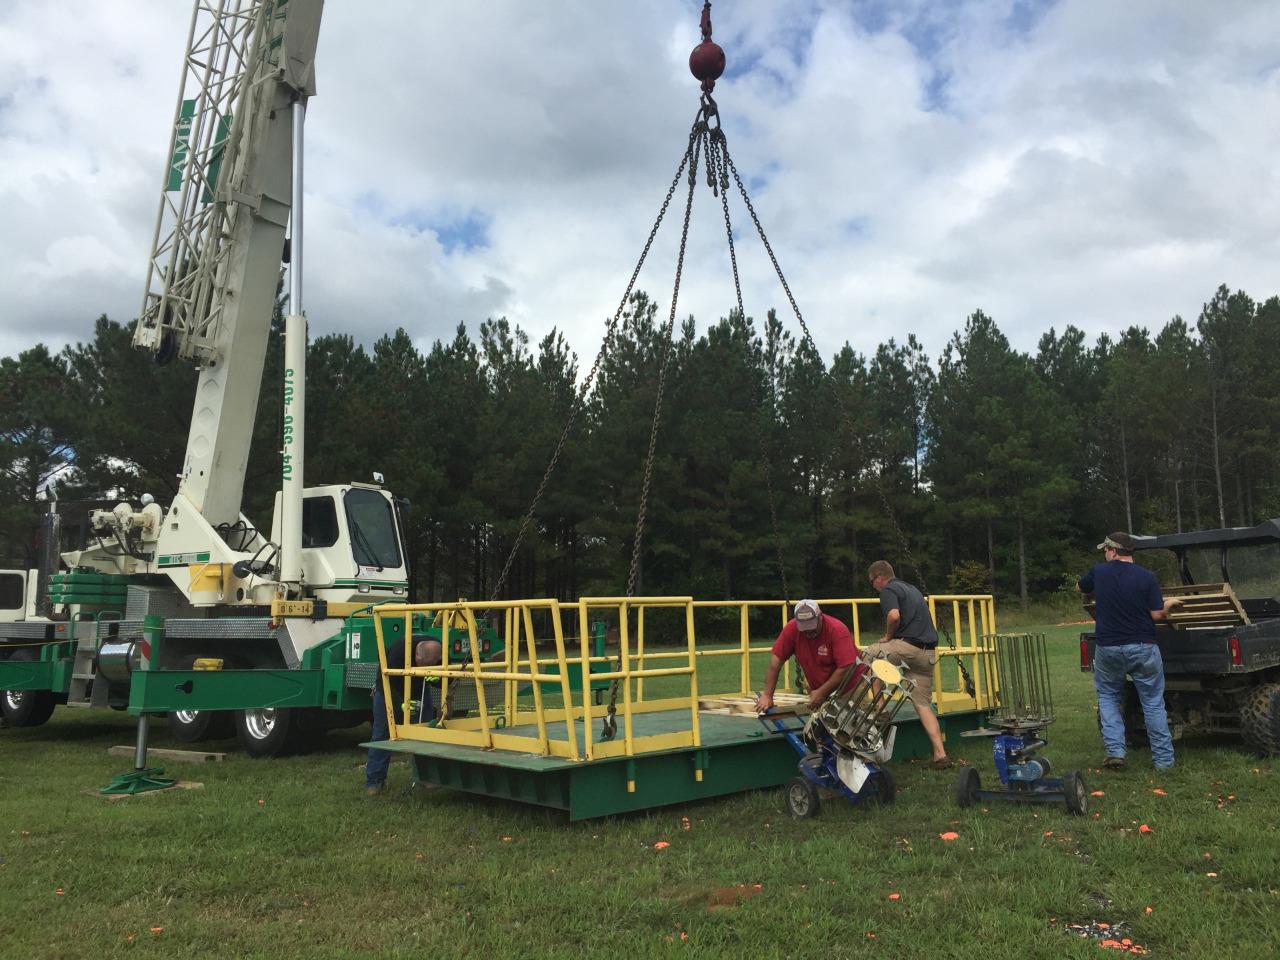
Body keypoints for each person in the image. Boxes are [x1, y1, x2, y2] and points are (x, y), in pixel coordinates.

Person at [1078, 531, 1180, 770]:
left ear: (1113, 551)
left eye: (1105, 550)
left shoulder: (1099, 573)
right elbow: (1156, 614)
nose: (1104, 554)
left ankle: (1115, 752)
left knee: (1108, 697)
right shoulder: (1147, 577)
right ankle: (1163, 761)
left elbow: (1079, 587)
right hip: (1143, 647)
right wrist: (1169, 605)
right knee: (1153, 702)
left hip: (1108, 648)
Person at [864, 560, 952, 769]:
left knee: (867, 656)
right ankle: (940, 754)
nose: (873, 586)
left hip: (907, 647)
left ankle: (880, 708)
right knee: (923, 704)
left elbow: (894, 616)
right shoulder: (911, 589)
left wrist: (887, 636)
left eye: (872, 582)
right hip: (928, 653)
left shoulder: (888, 590)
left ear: (878, 577)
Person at [754, 599, 862, 713]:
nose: (809, 632)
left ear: (820, 616)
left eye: (812, 627)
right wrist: (767, 695)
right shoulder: (791, 629)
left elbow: (846, 667)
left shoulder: (837, 630)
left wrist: (821, 692)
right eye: (804, 628)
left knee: (851, 727)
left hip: (850, 687)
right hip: (820, 690)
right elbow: (775, 664)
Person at [365, 635, 442, 795]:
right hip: (389, 689)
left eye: (430, 665)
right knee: (383, 734)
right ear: (416, 656)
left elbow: (440, 678)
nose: (425, 668)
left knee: (425, 732)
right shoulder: (398, 653)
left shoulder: (437, 652)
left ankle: (426, 777)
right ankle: (374, 781)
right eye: (422, 665)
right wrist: (404, 706)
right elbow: (389, 683)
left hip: (418, 689)